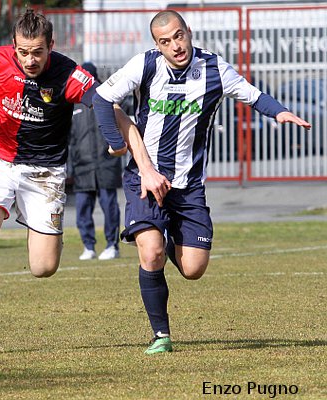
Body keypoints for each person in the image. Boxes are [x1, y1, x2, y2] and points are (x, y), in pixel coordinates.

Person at [92, 10, 311, 354]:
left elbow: (252, 94)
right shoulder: (145, 65)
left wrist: (278, 111)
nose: (175, 46)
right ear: (157, 45)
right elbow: (102, 98)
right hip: (145, 178)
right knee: (150, 253)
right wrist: (116, 141)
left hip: (189, 185)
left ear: (188, 32)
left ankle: (166, 240)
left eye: (178, 36)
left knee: (193, 269)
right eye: (165, 41)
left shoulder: (213, 68)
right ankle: (160, 335)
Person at [0, 9, 98, 354]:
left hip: (45, 171)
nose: (30, 59)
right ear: (13, 46)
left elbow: (103, 101)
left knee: (43, 267)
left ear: (51, 45)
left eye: (38, 51)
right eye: (23, 51)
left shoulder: (69, 73)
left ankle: (42, 228)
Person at [69, 62, 122, 261]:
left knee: (109, 206)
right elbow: (69, 137)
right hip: (82, 166)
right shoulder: (73, 105)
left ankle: (112, 245)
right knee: (83, 208)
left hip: (106, 163)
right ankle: (88, 246)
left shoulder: (107, 99)